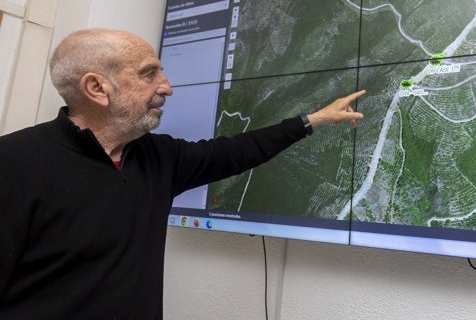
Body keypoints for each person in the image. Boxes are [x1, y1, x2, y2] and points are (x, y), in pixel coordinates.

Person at [0, 28, 365, 319]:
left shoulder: (158, 157)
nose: (167, 87)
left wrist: (311, 120)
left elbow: (235, 151)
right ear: (97, 88)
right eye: (148, 74)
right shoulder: (13, 163)